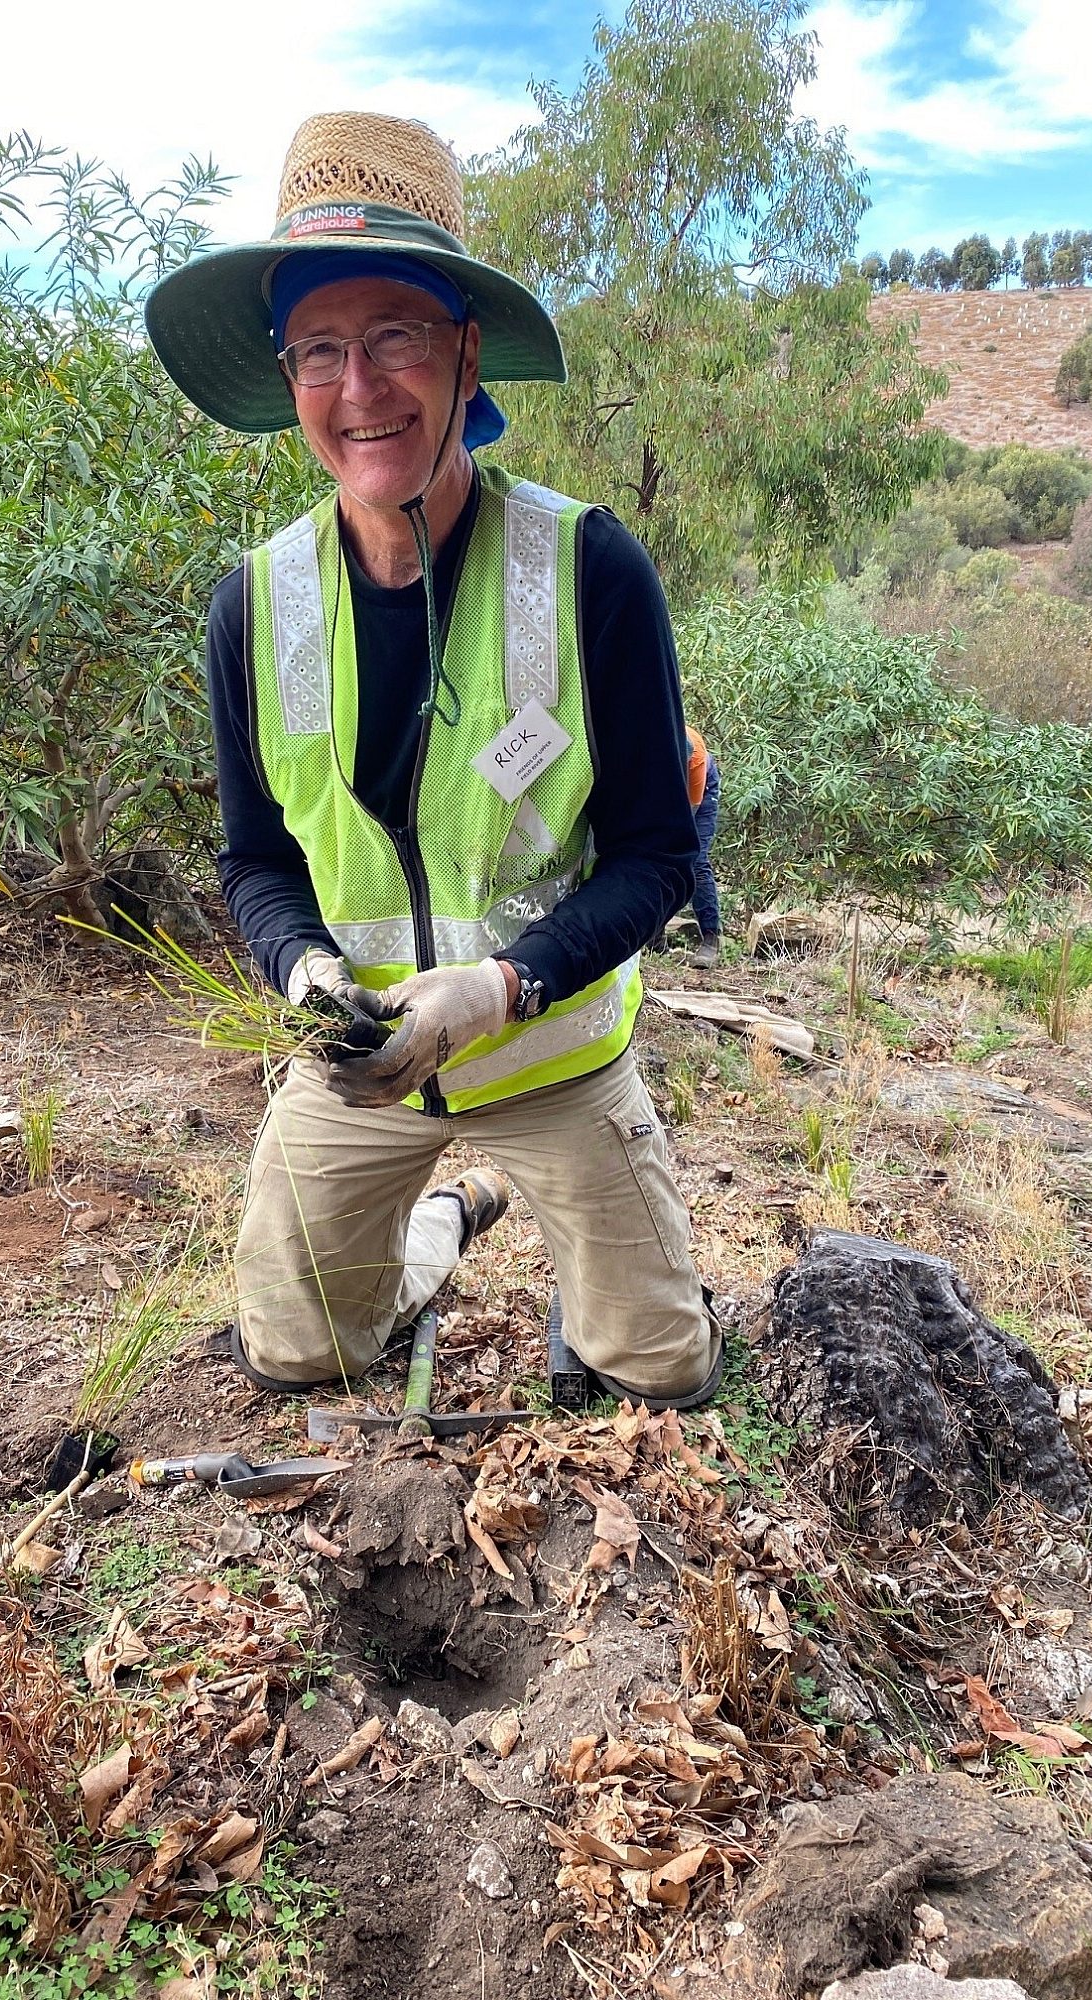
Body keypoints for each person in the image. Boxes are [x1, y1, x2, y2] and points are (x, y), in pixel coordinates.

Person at [145, 111, 721, 1409]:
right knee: (298, 1356)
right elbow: (255, 859)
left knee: (662, 1374)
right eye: (322, 350)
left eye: (396, 337)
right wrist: (300, 966)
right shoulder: (254, 602)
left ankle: (589, 1238)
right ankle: (453, 1219)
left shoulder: (589, 570)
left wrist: (501, 988)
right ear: (288, 376)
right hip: (356, 1069)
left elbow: (654, 856)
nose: (362, 390)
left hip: (554, 1052)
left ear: (466, 353)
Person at [684, 726, 721, 970]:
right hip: (661, 785)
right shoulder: (646, 745)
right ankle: (654, 936)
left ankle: (711, 937)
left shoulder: (694, 755)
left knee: (695, 860)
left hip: (701, 795)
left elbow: (687, 816)